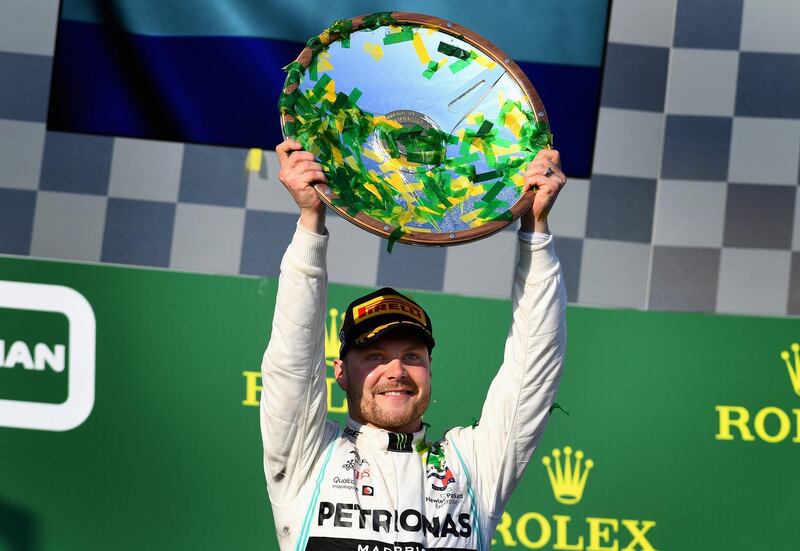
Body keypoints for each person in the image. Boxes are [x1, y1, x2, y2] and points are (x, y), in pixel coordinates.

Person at [260, 138, 567, 551]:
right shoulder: (309, 458)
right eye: (374, 356)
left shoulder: (474, 466)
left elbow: (534, 368)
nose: (396, 371)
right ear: (341, 373)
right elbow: (292, 361)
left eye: (412, 356)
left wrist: (535, 229)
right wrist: (311, 221)